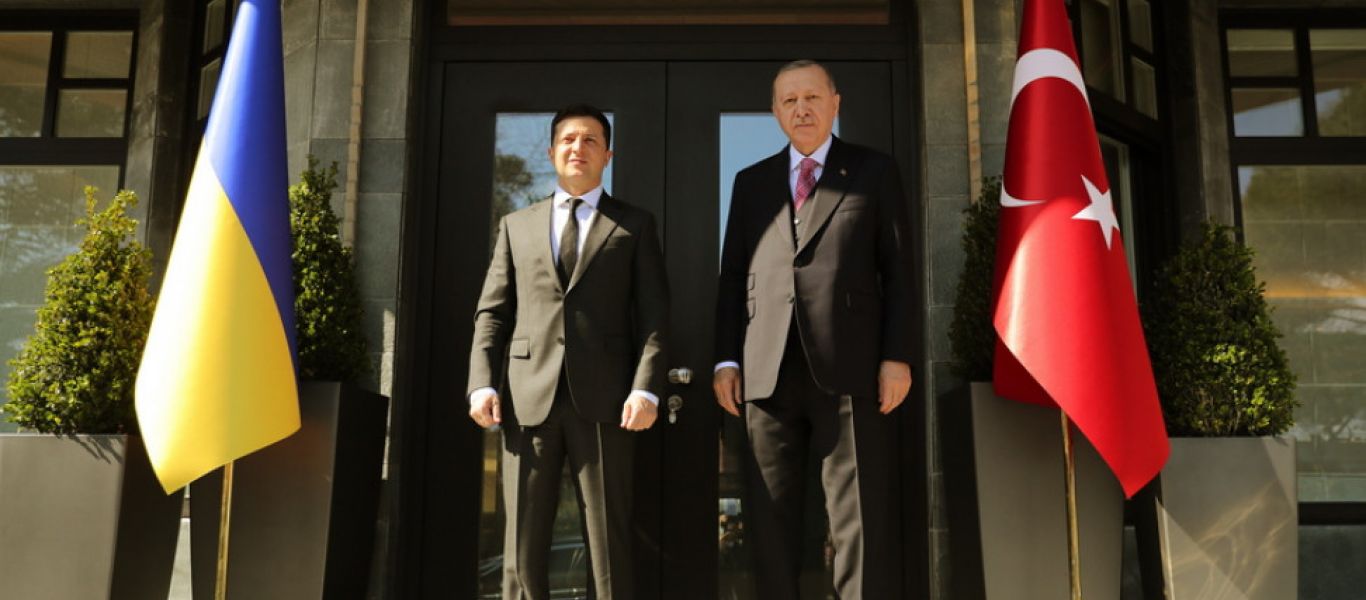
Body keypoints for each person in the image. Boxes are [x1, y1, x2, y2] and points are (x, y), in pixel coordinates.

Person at [713, 60, 915, 598]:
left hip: (851, 369)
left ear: (835, 103)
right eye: (789, 101)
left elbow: (898, 270)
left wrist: (896, 356)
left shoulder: (874, 171)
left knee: (856, 520)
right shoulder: (751, 182)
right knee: (769, 520)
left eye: (812, 98)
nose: (801, 109)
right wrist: (726, 360)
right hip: (766, 374)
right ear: (775, 112)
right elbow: (732, 276)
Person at [468, 104, 668, 600]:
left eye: (591, 140)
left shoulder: (634, 225)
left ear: (608, 156)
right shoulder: (516, 225)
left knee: (608, 545)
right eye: (569, 140)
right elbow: (492, 312)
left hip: (607, 403)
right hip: (526, 399)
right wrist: (481, 382)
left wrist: (646, 389)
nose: (579, 148)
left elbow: (654, 318)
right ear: (553, 152)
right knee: (521, 547)